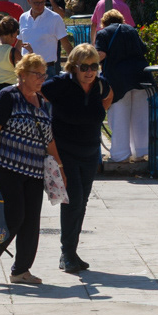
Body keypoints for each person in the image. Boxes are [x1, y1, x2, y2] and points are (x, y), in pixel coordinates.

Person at [0, 53, 62, 286]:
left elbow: (50, 140)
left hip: (35, 172)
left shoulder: (44, 103)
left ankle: (21, 270)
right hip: (8, 169)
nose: (41, 79)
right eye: (37, 74)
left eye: (43, 74)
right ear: (22, 75)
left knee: (31, 223)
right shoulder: (7, 97)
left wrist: (61, 167)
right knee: (14, 217)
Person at [41, 44, 111, 272]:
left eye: (93, 66)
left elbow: (110, 95)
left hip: (90, 152)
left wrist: (99, 111)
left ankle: (72, 251)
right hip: (65, 153)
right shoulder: (60, 85)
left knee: (82, 202)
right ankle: (66, 253)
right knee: (73, 201)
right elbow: (37, 90)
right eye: (84, 67)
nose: (89, 72)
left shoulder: (100, 85)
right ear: (73, 67)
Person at [95, 10, 150, 163]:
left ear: (104, 22)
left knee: (119, 116)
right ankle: (141, 152)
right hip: (141, 77)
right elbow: (144, 49)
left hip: (117, 79)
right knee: (139, 116)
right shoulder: (131, 30)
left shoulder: (103, 33)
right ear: (121, 19)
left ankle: (121, 155)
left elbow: (101, 54)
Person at [18, 0, 69, 75]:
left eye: (42, 2)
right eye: (36, 3)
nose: (40, 5)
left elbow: (66, 45)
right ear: (28, 1)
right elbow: (19, 43)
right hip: (26, 69)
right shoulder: (23, 17)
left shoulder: (55, 18)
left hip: (47, 70)